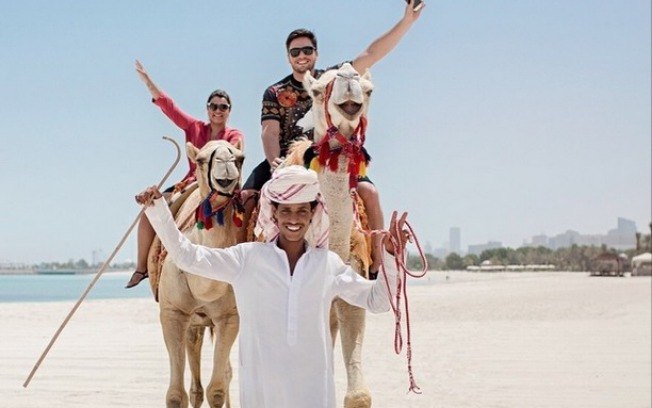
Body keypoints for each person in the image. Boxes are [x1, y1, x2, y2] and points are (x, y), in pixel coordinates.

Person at [137, 165, 410, 407]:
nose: (294, 219)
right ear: (274, 214)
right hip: (261, 397)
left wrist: (390, 256)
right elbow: (187, 256)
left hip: (314, 396)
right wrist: (158, 210)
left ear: (313, 214)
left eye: (302, 211)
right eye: (286, 211)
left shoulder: (328, 265)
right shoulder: (247, 259)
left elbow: (379, 302)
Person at [241, 0, 425, 275]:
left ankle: (378, 261)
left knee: (370, 194)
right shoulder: (275, 92)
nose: (301, 55)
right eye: (295, 51)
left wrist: (407, 22)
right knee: (246, 197)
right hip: (288, 159)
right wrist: (273, 161)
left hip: (332, 155)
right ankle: (243, 268)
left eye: (307, 50)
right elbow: (270, 130)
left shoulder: (335, 78)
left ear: (315, 52)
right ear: (288, 56)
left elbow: (371, 54)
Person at [125, 60, 245, 288]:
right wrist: (148, 82)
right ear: (208, 109)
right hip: (190, 185)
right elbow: (170, 108)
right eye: (214, 106)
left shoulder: (235, 135)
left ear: (229, 110)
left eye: (223, 107)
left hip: (223, 188)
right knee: (149, 211)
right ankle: (142, 267)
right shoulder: (195, 128)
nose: (218, 111)